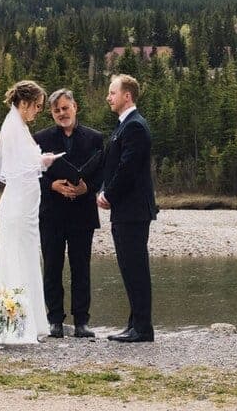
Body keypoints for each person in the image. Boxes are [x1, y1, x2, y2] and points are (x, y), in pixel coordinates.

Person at [0, 80, 60, 343]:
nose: (38, 111)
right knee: (16, 257)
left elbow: (23, 162)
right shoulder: (12, 128)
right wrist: (43, 161)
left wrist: (40, 161)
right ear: (25, 103)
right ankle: (15, 322)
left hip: (26, 206)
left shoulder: (19, 127)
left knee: (27, 258)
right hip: (18, 206)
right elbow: (14, 169)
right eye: (37, 106)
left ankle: (26, 320)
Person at [33, 88, 104, 338]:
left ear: (75, 107)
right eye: (56, 110)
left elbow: (102, 172)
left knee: (81, 268)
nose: (62, 113)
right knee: (52, 267)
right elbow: (31, 173)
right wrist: (51, 185)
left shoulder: (95, 137)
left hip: (82, 212)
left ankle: (82, 322)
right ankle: (54, 320)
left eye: (65, 108)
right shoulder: (40, 138)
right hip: (51, 212)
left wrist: (88, 187)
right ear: (51, 113)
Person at [97, 72, 156, 342]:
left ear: (127, 96)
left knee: (135, 268)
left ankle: (143, 329)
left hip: (132, 210)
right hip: (126, 210)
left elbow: (128, 168)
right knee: (129, 268)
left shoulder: (134, 126)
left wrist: (108, 194)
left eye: (112, 92)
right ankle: (134, 324)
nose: (108, 97)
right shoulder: (125, 125)